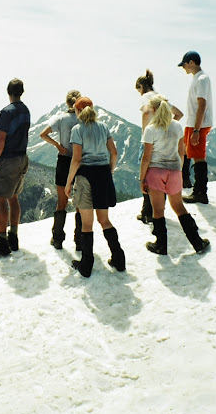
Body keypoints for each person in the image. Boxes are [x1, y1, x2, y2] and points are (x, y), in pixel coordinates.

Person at [139, 96, 211, 255]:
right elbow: (181, 152)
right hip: (174, 171)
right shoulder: (177, 126)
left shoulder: (150, 129)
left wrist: (142, 178)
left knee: (158, 210)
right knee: (178, 207)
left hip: (155, 172)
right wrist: (178, 170)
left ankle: (161, 245)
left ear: (154, 110)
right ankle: (197, 242)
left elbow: (146, 157)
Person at [65, 97, 124, 277]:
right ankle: (119, 259)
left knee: (87, 224)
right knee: (104, 220)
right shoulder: (103, 127)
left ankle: (86, 265)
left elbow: (76, 159)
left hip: (85, 177)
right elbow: (113, 152)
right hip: (103, 175)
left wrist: (69, 182)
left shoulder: (77, 129)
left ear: (78, 111)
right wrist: (109, 170)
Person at [0, 78, 31, 260]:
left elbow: (1, 141)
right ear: (22, 91)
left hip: (9, 159)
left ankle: (2, 243)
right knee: (14, 197)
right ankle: (14, 236)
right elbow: (15, 132)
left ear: (8, 91)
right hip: (22, 158)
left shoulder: (6, 111)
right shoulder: (25, 110)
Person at [135, 69, 183, 224]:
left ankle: (147, 212)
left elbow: (146, 112)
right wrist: (169, 126)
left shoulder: (146, 97)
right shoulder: (160, 97)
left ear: (141, 87)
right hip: (167, 143)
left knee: (148, 175)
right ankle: (157, 210)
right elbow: (179, 114)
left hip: (152, 139)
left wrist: (146, 132)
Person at [39, 89, 83, 251]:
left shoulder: (61, 119)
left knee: (61, 203)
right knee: (80, 203)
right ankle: (80, 241)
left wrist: (57, 145)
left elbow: (43, 134)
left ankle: (57, 239)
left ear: (67, 103)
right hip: (80, 162)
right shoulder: (83, 119)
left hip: (64, 161)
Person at [178, 50, 214, 204]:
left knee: (198, 157)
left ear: (191, 62)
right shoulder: (197, 78)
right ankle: (191, 184)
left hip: (197, 124)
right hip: (192, 123)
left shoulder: (202, 79)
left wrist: (197, 130)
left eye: (184, 64)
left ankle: (200, 192)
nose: (183, 67)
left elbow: (202, 104)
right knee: (189, 151)